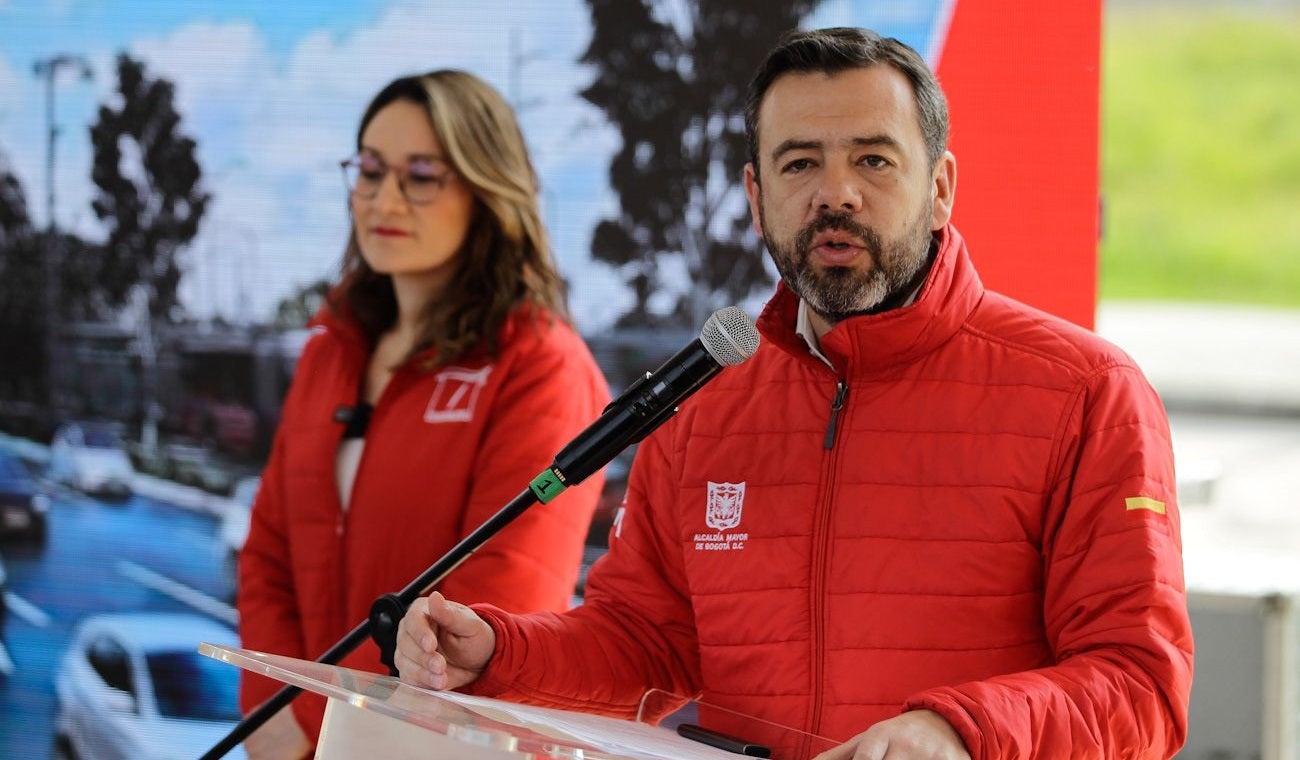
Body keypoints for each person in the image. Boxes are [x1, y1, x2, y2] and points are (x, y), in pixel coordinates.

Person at [394, 28, 1194, 760]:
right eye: (800, 162)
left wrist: (957, 731)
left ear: (942, 187)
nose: (835, 193)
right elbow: (648, 648)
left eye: (874, 160)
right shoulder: (706, 401)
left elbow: (1140, 687)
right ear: (755, 195)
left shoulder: (1087, 392)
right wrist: (497, 653)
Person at [236, 69, 610, 758]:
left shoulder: (540, 366)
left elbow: (497, 611)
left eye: (422, 176)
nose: (386, 198)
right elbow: (268, 556)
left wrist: (329, 732)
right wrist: (274, 709)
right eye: (371, 171)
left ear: (485, 189)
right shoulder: (331, 351)